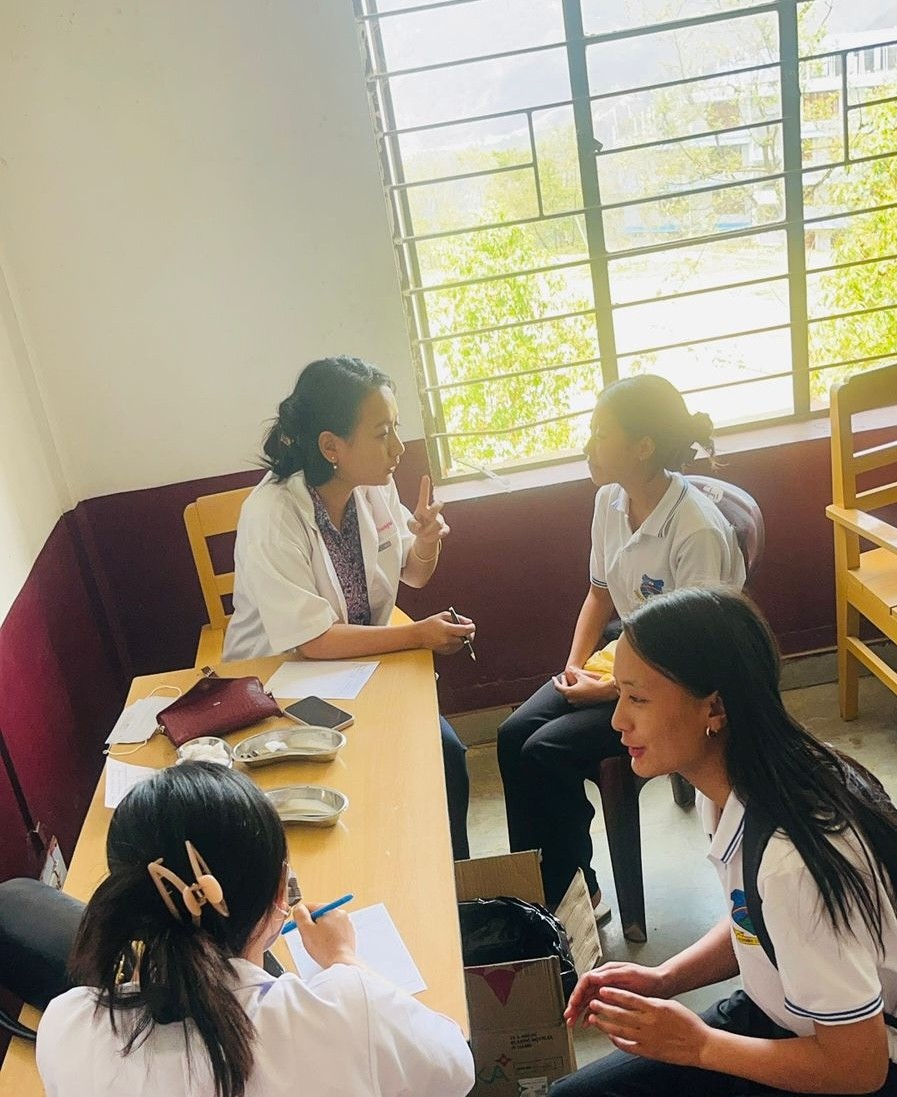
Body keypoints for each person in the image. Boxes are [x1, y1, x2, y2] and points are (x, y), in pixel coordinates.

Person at [553, 587, 897, 1096]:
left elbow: (858, 1067)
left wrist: (698, 1046)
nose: (617, 720)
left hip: (848, 1062)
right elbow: (753, 915)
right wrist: (666, 977)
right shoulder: (743, 781)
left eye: (638, 697)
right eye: (619, 694)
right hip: (780, 1015)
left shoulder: (790, 862)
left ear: (713, 707)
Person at [36, 762, 474, 1097]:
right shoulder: (348, 1011)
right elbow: (456, 1066)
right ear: (280, 894)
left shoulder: (65, 1026)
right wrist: (345, 960)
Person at [498, 375, 745, 928]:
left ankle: (572, 900)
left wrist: (608, 689)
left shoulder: (695, 528)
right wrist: (575, 663)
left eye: (600, 433)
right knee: (514, 736)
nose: (589, 445)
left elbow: (691, 658)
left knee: (545, 751)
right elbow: (599, 592)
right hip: (628, 662)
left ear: (643, 447)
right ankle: (549, 886)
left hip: (676, 689)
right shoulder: (610, 500)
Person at [223, 355, 476, 857]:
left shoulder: (373, 489)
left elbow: (414, 572)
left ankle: (454, 884)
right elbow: (314, 641)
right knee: (355, 782)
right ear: (331, 446)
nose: (399, 449)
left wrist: (426, 540)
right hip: (280, 685)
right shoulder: (273, 514)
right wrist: (419, 635)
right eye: (383, 433)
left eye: (396, 429)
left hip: (359, 668)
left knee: (445, 755)